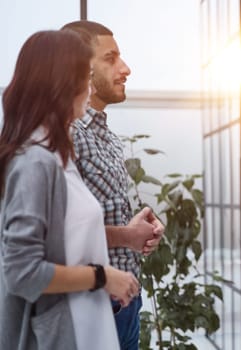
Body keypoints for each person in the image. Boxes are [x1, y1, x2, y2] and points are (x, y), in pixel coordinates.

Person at [0, 30, 140, 350]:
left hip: (85, 327)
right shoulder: (36, 161)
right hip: (61, 334)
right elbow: (22, 272)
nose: (89, 87)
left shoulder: (56, 154)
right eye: (84, 77)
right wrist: (102, 277)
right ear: (63, 84)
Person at [60, 20, 164, 350]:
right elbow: (55, 232)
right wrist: (127, 236)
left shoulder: (107, 136)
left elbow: (105, 213)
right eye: (111, 58)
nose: (126, 68)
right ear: (80, 68)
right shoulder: (65, 134)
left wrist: (143, 232)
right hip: (92, 307)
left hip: (127, 305)